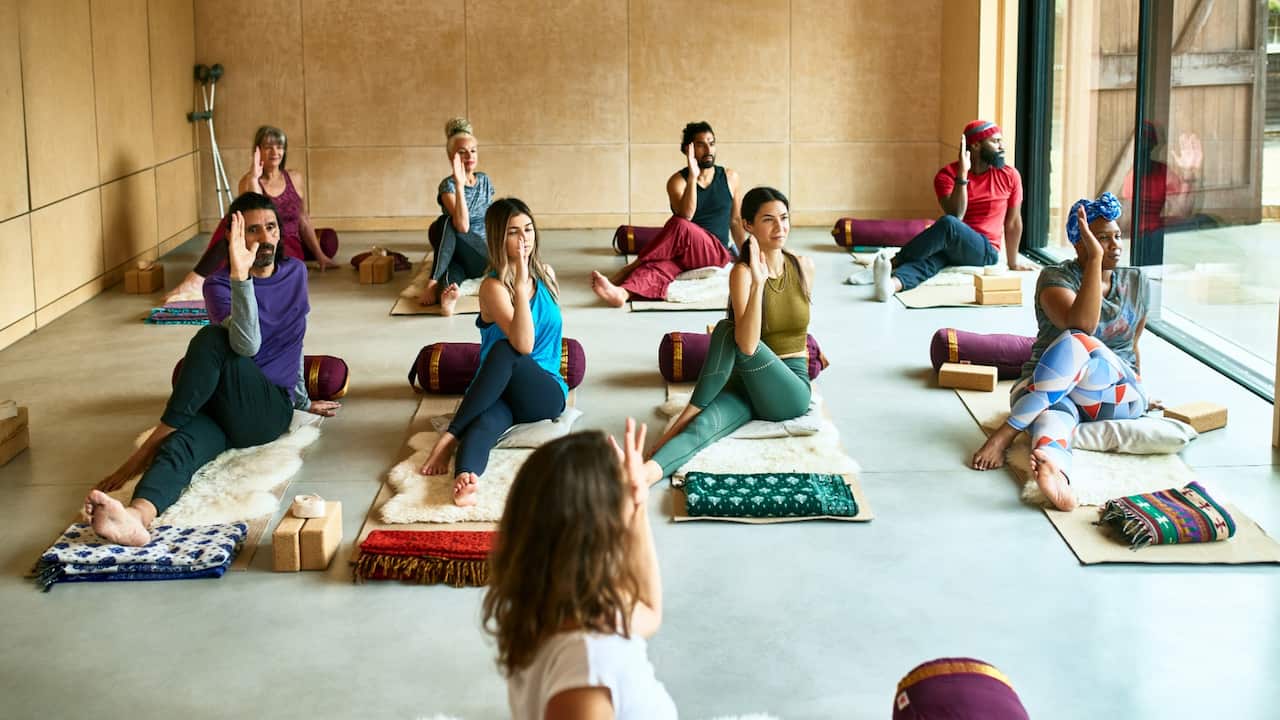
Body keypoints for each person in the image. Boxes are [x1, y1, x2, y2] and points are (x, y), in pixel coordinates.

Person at [86, 192, 341, 546]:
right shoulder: (218, 284)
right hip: (225, 407)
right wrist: (240, 276)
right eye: (253, 231)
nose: (265, 238)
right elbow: (246, 343)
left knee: (210, 339)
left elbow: (291, 340)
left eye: (270, 227)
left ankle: (143, 452)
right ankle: (136, 517)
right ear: (235, 238)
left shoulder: (295, 272)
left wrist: (301, 400)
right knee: (181, 446)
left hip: (266, 411)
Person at [970, 192, 1153, 511]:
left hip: (1113, 395)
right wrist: (1095, 262)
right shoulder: (1055, 279)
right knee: (1054, 414)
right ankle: (1058, 476)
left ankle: (1005, 434)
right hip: (1050, 391)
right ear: (1079, 243)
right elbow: (1081, 322)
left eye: (1117, 236)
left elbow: (1129, 344)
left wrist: (1138, 382)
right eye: (1101, 239)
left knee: (1077, 343)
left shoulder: (1137, 281)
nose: (1114, 245)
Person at [484, 420, 676, 720]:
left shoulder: (550, 609)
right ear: (599, 532)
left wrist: (638, 505)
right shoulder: (589, 665)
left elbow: (649, 613)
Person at [637, 186, 814, 484]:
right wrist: (756, 280)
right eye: (768, 219)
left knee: (727, 330)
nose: (780, 227)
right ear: (748, 225)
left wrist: (760, 284)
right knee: (703, 427)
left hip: (788, 388)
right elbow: (748, 344)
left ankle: (682, 418)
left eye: (784, 218)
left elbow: (746, 345)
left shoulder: (803, 266)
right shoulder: (742, 273)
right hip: (747, 383)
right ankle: (643, 475)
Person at [418, 198, 567, 506]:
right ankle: (466, 477)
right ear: (499, 237)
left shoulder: (546, 275)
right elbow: (522, 342)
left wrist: (525, 283)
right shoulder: (492, 288)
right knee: (485, 425)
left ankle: (450, 436)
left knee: (505, 349)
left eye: (528, 229)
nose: (524, 238)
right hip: (498, 390)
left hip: (543, 391)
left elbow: (524, 347)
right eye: (514, 232)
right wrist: (519, 285)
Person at [855, 120, 1033, 301]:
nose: (1002, 146)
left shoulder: (1010, 175)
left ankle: (893, 263)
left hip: (985, 251)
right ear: (976, 145)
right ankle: (891, 286)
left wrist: (1013, 262)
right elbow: (957, 214)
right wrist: (962, 175)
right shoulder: (946, 175)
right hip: (952, 243)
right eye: (995, 141)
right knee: (929, 261)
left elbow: (1013, 222)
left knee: (948, 225)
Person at [164, 126, 339, 303]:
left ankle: (208, 271)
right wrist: (255, 179)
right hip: (259, 241)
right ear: (258, 150)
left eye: (279, 146)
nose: (275, 152)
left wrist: (320, 256)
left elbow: (303, 218)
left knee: (329, 239)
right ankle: (196, 278)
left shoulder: (295, 177)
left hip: (288, 241)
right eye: (268, 147)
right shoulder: (247, 181)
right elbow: (254, 218)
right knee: (232, 221)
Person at [590, 121, 744, 307]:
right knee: (656, 267)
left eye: (711, 143)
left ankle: (629, 268)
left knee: (678, 224)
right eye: (701, 145)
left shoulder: (730, 177)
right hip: (685, 252)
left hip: (715, 252)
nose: (708, 149)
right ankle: (622, 293)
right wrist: (693, 177)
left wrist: (746, 257)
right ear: (688, 149)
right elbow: (687, 213)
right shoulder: (677, 182)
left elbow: (735, 221)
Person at [419, 117, 496, 315]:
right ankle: (446, 297)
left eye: (473, 151)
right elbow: (461, 226)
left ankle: (432, 281)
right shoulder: (448, 186)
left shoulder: (485, 180)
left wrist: (462, 184)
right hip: (458, 253)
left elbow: (463, 227)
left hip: (482, 253)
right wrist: (459, 184)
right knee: (451, 271)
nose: (469, 155)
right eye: (461, 152)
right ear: (451, 157)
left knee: (446, 222)